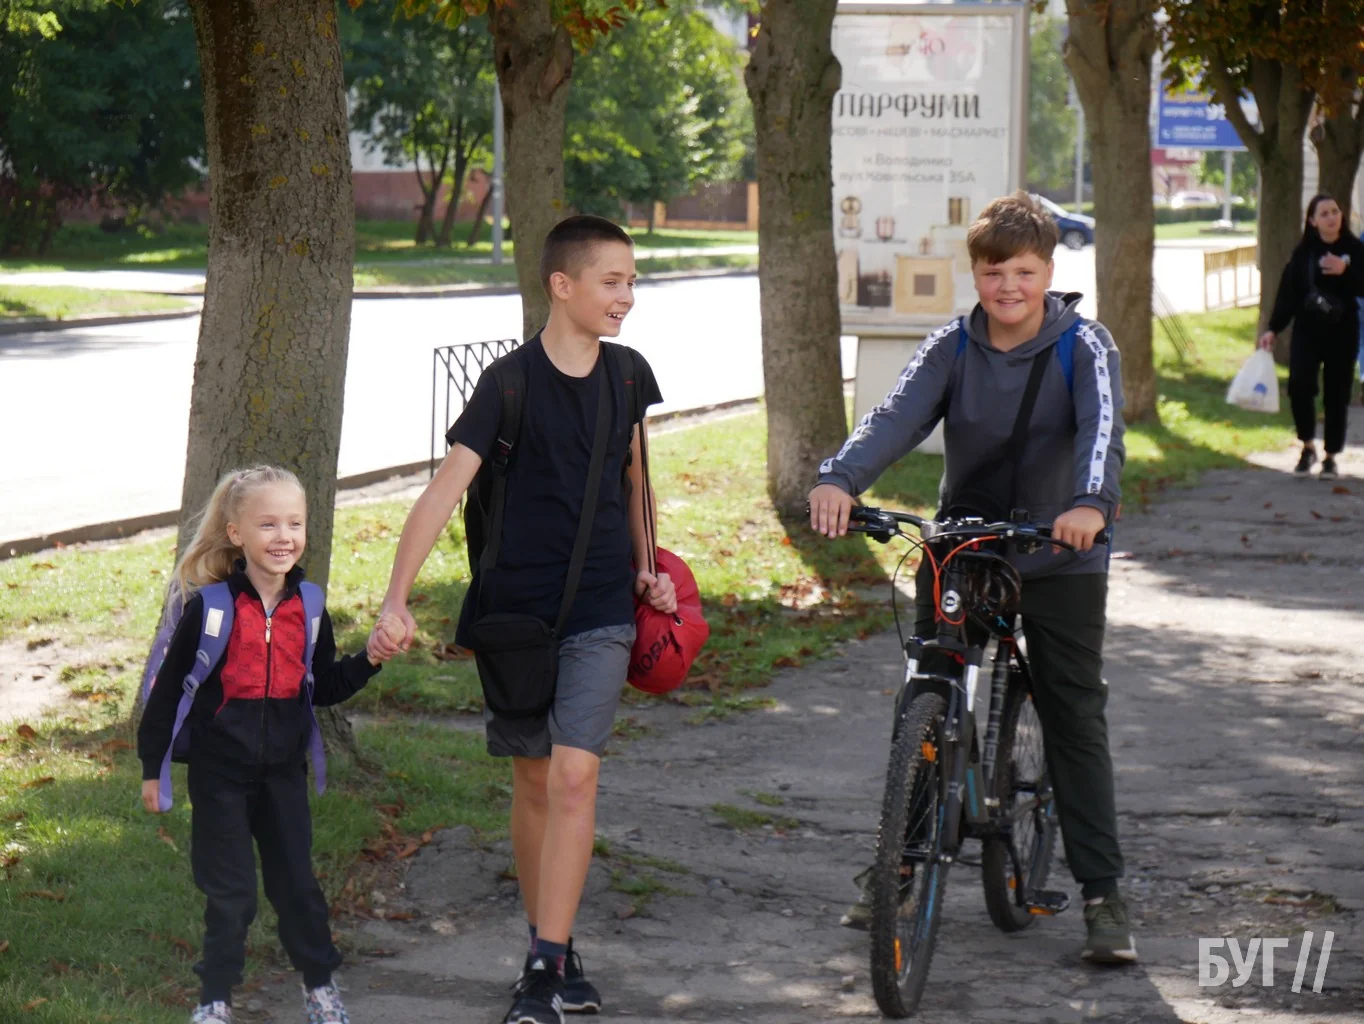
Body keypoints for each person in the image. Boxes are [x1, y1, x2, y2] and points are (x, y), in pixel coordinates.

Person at [809, 191, 1136, 964]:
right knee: (927, 694)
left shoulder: (1084, 345)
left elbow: (1103, 433)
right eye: (994, 272)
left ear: (1048, 271)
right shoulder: (951, 346)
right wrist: (839, 478)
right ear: (976, 274)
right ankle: (898, 862)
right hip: (967, 547)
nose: (1008, 286)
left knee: (1073, 712)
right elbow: (893, 418)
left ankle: (1102, 895)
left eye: (1023, 271)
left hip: (1060, 550)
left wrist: (1090, 504)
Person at [368, 215, 676, 1024]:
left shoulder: (629, 376)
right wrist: (397, 597)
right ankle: (555, 940)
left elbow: (636, 480)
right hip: (515, 618)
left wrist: (649, 565)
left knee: (575, 773)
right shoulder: (507, 385)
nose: (627, 296)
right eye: (612, 281)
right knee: (534, 779)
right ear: (561, 285)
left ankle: (542, 969)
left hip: (602, 607)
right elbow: (442, 492)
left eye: (633, 282)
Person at [138, 466, 397, 1024]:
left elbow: (323, 685)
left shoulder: (310, 605)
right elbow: (168, 693)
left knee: (298, 888)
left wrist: (370, 659)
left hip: (283, 775)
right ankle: (214, 1000)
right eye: (268, 524)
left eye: (295, 523)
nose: (284, 536)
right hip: (219, 777)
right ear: (236, 534)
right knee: (230, 896)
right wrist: (151, 769)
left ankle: (320, 988)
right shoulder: (211, 609)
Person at [1258, 193, 1364, 479]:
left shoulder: (1354, 248)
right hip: (1308, 330)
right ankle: (1307, 446)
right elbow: (1288, 293)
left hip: (1343, 330)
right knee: (1300, 385)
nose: (1332, 217)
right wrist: (1273, 328)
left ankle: (1331, 456)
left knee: (1337, 393)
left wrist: (1346, 270)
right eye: (1324, 213)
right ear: (1313, 221)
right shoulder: (1304, 252)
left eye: (1335, 211)